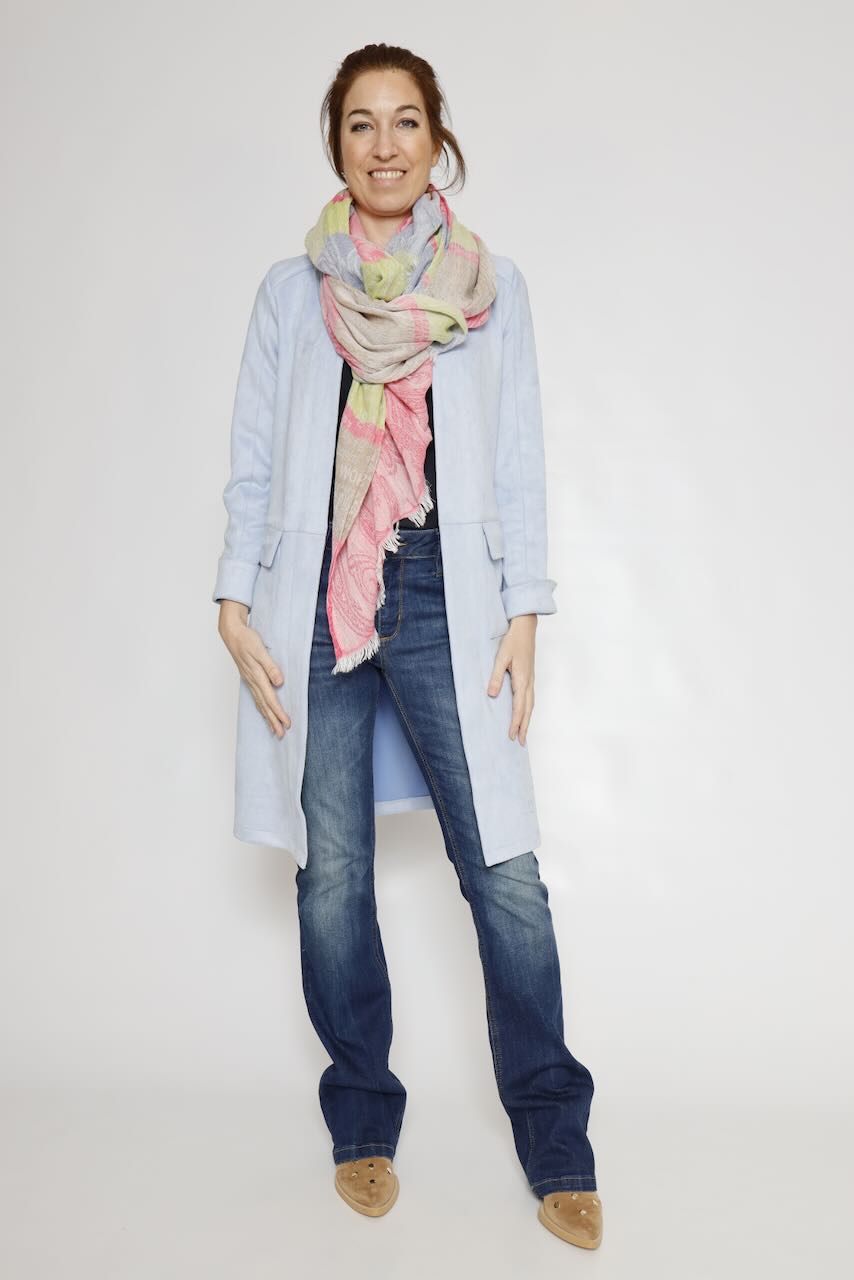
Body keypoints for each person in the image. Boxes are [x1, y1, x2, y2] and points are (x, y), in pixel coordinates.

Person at [213, 42, 602, 1249]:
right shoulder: (290, 294)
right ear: (336, 144)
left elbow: (518, 453)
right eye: (360, 123)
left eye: (404, 121)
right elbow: (254, 459)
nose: (383, 144)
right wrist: (233, 597)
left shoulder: (490, 287)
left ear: (438, 140)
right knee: (329, 873)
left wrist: (523, 608)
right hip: (314, 594)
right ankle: (361, 1120)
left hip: (443, 587)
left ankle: (555, 1140)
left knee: (502, 870)